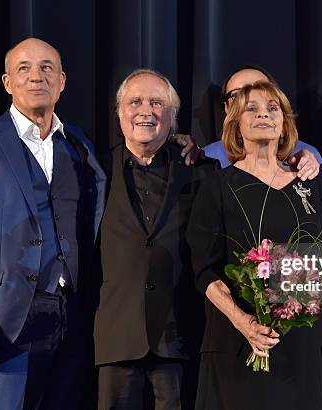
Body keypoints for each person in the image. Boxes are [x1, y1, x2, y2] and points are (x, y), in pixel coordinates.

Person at [0, 38, 107, 409]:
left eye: (47, 68)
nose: (36, 76)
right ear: (7, 82)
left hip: (72, 315)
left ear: (62, 81)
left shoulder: (80, 145)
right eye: (24, 69)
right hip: (5, 322)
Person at [187, 80, 322, 410]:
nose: (264, 115)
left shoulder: (311, 184)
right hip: (240, 344)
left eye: (273, 109)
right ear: (235, 123)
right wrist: (244, 322)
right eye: (252, 109)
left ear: (285, 122)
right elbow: (204, 269)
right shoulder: (217, 184)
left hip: (303, 349)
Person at [94, 69, 218, 410]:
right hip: (116, 339)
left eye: (156, 103)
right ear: (120, 113)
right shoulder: (93, 170)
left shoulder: (201, 171)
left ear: (173, 116)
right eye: (135, 101)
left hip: (179, 338)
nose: (145, 110)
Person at [203, 65, 322, 182]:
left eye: (262, 89)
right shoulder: (206, 157)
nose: (252, 96)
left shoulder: (307, 156)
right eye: (239, 94)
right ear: (226, 107)